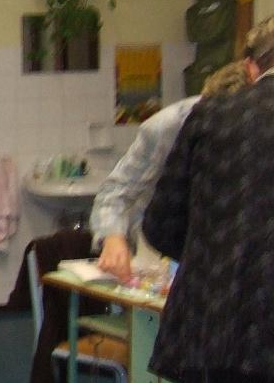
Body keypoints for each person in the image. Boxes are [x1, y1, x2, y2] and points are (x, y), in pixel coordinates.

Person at [143, 17, 274, 383]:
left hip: (219, 319)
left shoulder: (214, 114)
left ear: (250, 66)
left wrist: (214, 253)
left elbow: (161, 223)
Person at [93, 60, 252, 282]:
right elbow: (115, 190)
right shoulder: (166, 127)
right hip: (158, 241)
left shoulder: (257, 130)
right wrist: (112, 236)